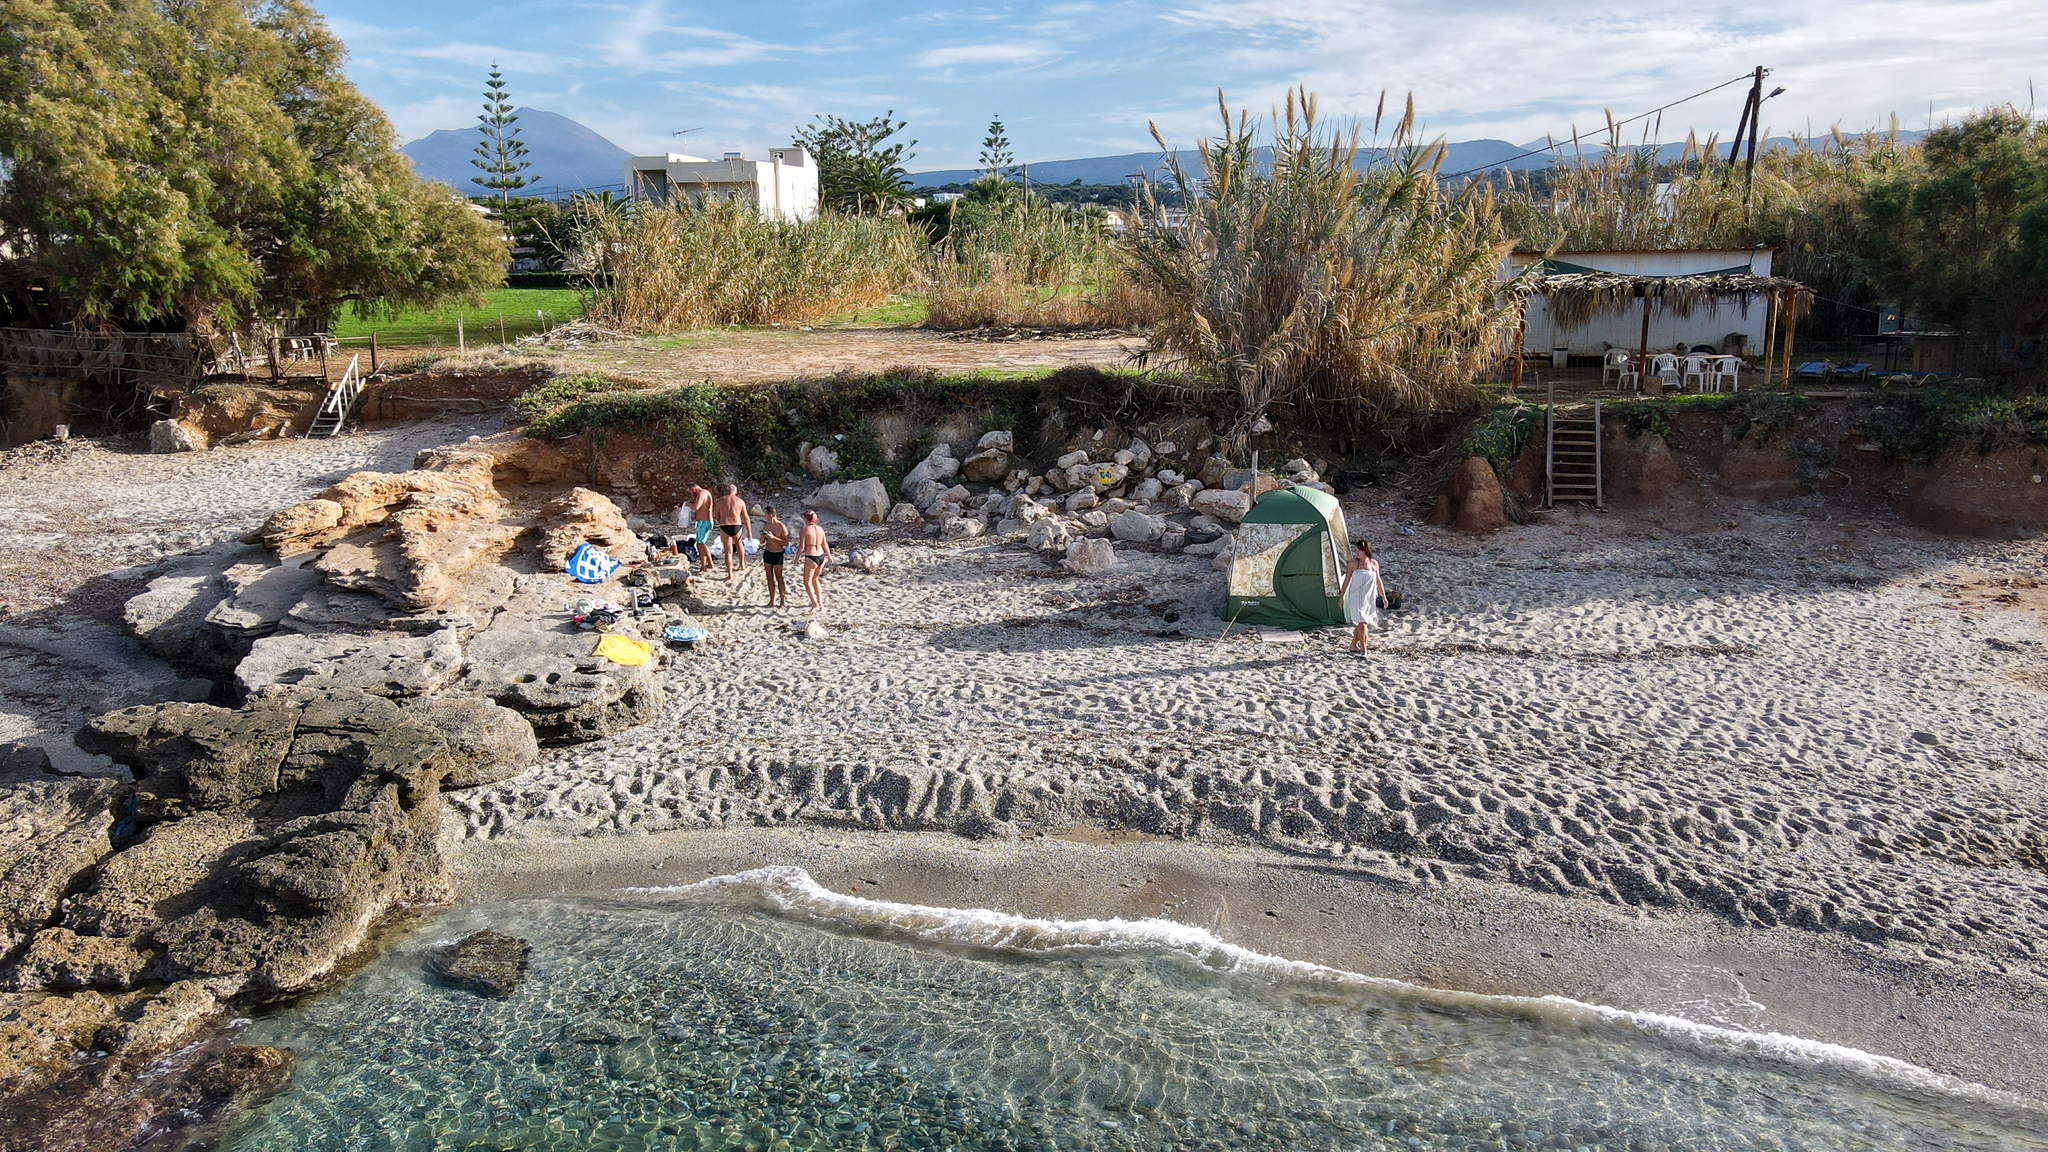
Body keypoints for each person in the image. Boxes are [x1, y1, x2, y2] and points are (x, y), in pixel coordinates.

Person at [1340, 538, 1381, 654]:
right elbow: (1346, 581)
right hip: (1355, 597)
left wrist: (1383, 596)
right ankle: (1364, 651)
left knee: (1362, 623)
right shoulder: (1353, 564)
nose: (1357, 553)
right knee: (1363, 624)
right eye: (1356, 550)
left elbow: (1378, 581)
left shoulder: (1374, 564)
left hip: (1369, 598)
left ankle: (1353, 644)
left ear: (1366, 551)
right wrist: (1341, 597)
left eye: (1360, 550)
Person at [713, 484, 753, 580]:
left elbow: (717, 515)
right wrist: (749, 531)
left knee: (728, 552)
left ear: (727, 491)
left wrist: (721, 523)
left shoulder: (720, 501)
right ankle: (742, 564)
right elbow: (746, 518)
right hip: (736, 525)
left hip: (724, 525)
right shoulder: (740, 501)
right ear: (735, 491)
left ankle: (730, 574)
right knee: (739, 545)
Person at [797, 509, 832, 614]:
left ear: (805, 519)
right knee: (815, 579)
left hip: (811, 556)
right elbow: (824, 544)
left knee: (807, 583)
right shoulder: (820, 529)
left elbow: (802, 546)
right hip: (821, 556)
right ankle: (820, 601)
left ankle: (814, 603)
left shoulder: (805, 529)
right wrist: (829, 556)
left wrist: (797, 558)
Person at [758, 506, 791, 608]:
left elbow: (786, 543)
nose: (765, 516)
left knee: (779, 577)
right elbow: (761, 542)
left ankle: (782, 602)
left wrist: (773, 538)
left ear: (771, 515)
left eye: (766, 514)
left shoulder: (781, 526)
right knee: (769, 577)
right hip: (768, 552)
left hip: (777, 554)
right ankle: (772, 600)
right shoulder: (765, 526)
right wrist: (763, 537)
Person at [685, 484, 715, 574]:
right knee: (702, 543)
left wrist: (688, 504)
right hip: (705, 521)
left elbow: (696, 507)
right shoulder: (706, 492)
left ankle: (703, 566)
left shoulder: (701, 494)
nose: (691, 494)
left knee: (700, 544)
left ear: (693, 488)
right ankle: (710, 563)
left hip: (704, 522)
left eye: (690, 492)